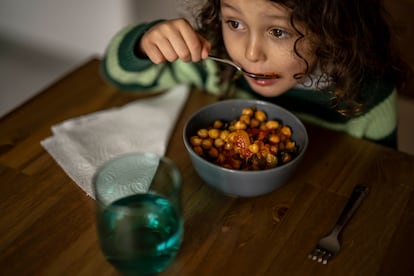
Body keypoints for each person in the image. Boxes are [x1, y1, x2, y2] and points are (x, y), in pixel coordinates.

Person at [101, 0, 410, 148]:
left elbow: (378, 182)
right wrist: (144, 43)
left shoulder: (368, 96)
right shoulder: (211, 58)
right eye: (234, 23)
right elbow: (117, 75)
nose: (250, 54)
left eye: (277, 31)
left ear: (333, 32)